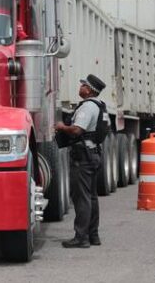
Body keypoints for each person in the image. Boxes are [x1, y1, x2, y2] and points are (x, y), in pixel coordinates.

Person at [55, 74, 107, 249]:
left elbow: (77, 130)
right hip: (93, 154)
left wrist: (62, 127)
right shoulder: (99, 106)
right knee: (91, 197)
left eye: (83, 85)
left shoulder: (87, 107)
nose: (80, 88)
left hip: (83, 157)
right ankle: (93, 235)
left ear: (89, 89)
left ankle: (81, 237)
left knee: (81, 198)